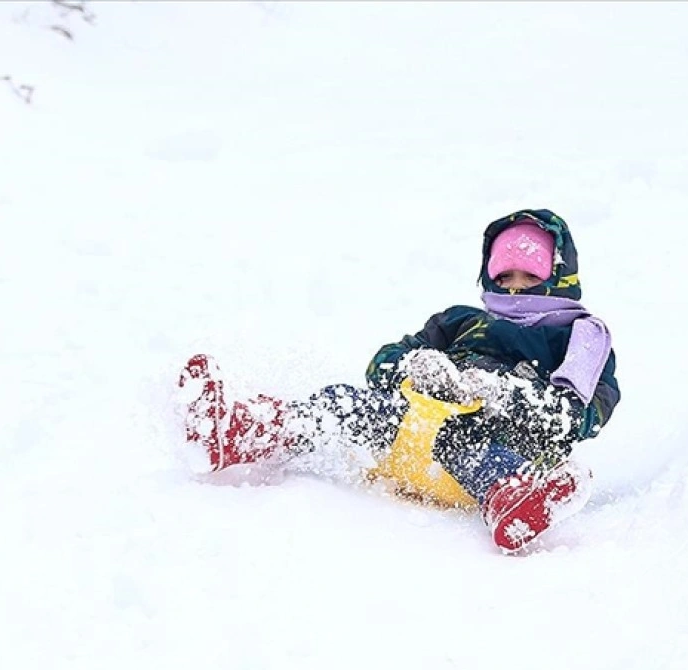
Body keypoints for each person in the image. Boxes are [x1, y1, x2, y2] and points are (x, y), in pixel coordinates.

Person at [177, 208, 621, 552]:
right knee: (342, 402)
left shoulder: (579, 337)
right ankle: (249, 430)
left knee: (473, 447)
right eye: (504, 276)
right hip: (407, 434)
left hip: (482, 453)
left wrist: (502, 396)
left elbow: (574, 419)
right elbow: (383, 363)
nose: (515, 288)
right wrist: (415, 365)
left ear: (559, 277)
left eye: (530, 276)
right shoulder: (460, 321)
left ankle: (514, 501)